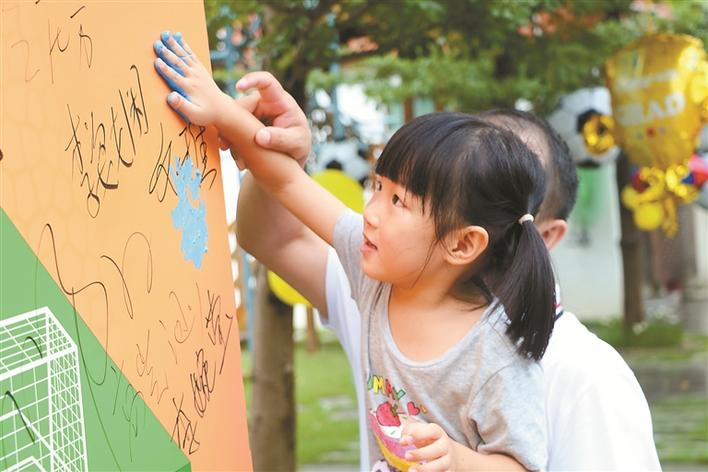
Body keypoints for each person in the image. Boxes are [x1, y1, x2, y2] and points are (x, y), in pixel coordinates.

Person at [153, 33, 661, 471]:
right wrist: (237, 118)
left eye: (401, 201)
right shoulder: (378, 275)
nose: (372, 212)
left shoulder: (545, 365)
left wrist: (456, 457)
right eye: (379, 187)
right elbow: (284, 194)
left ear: (467, 241)